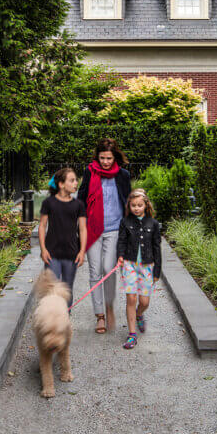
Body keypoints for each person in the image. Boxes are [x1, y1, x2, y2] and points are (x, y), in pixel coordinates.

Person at [77, 138, 132, 334]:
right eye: (102, 158)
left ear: (114, 156)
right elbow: (81, 198)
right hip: (93, 229)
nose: (105, 162)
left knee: (109, 269)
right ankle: (99, 315)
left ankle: (109, 306)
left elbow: (128, 201)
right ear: (97, 157)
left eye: (109, 158)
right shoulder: (90, 172)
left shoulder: (123, 175)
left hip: (114, 229)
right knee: (94, 271)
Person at [117, 189, 163, 350]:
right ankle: (132, 334)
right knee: (131, 299)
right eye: (133, 205)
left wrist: (157, 271)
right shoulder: (125, 222)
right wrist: (120, 257)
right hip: (129, 264)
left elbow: (157, 248)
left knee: (144, 301)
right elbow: (121, 241)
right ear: (129, 206)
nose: (136, 208)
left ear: (146, 205)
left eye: (139, 205)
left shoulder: (154, 224)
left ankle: (139, 314)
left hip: (147, 267)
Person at [38, 167, 87, 307]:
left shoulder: (78, 205)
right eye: (72, 180)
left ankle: (65, 319)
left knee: (67, 290)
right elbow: (42, 226)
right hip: (51, 253)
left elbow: (83, 229)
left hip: (71, 254)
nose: (76, 183)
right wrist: (43, 249)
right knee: (51, 289)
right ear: (61, 184)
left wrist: (82, 251)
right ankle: (50, 319)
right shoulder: (49, 203)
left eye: (76, 180)